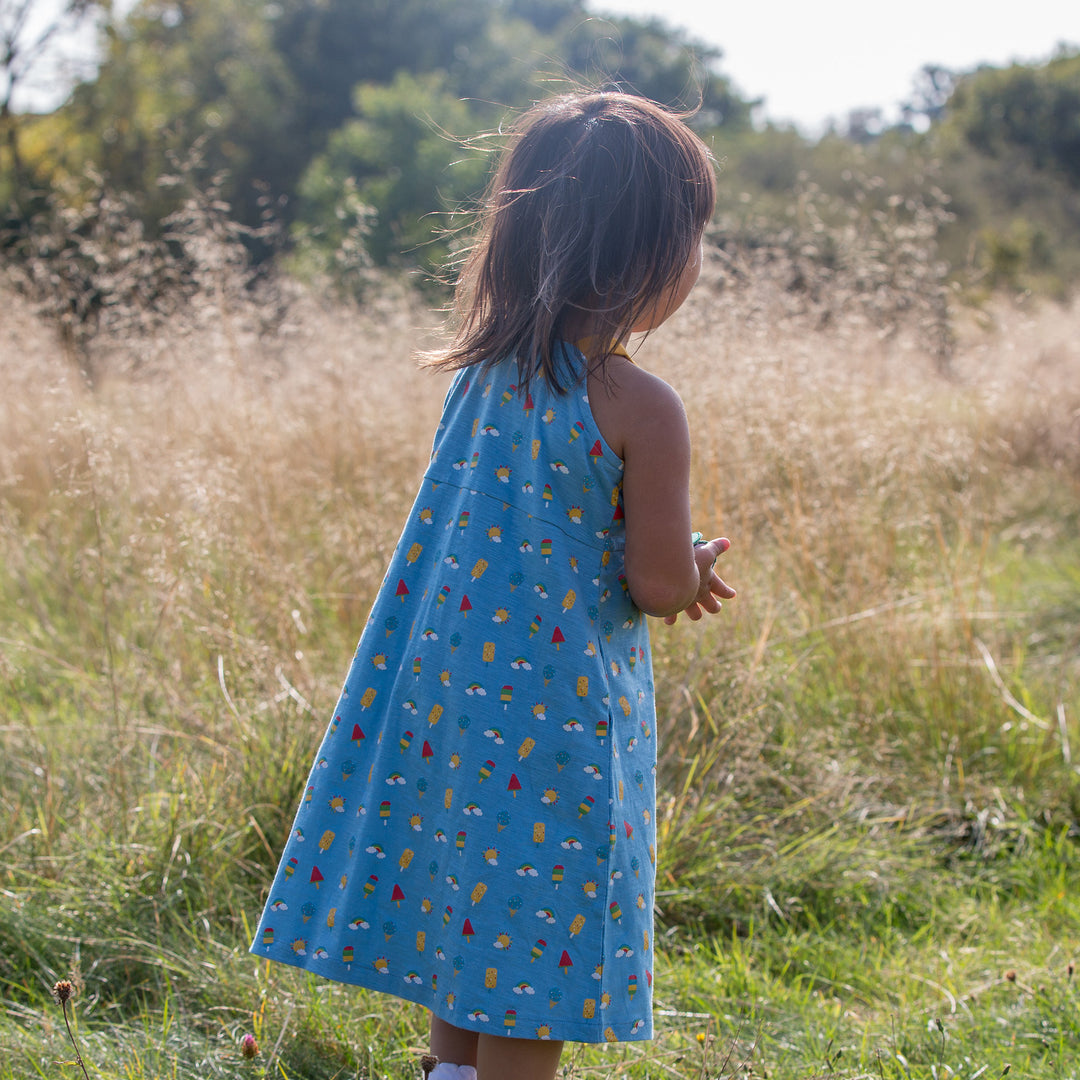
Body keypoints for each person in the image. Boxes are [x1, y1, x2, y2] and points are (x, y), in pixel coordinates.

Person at [250, 90, 736, 1080]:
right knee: (538, 955)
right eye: (692, 235)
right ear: (650, 252)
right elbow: (650, 583)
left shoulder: (482, 376)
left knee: (472, 913)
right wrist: (691, 571)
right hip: (559, 721)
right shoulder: (640, 405)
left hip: (451, 705)